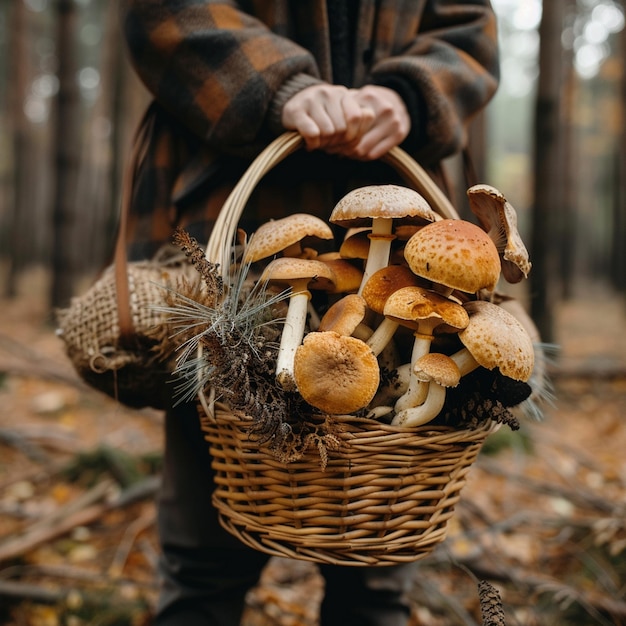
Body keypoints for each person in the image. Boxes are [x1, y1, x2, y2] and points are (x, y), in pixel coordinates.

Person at [118, 2, 500, 624]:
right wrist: (275, 84)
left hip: (407, 232)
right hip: (232, 201)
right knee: (204, 557)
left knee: (375, 580)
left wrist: (411, 92)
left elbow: (471, 31)